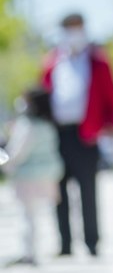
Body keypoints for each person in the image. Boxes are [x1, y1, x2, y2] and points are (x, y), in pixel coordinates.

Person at [39, 14, 113, 259]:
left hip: (87, 134)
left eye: (77, 28)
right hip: (57, 135)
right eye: (69, 28)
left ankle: (91, 243)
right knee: (58, 191)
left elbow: (111, 95)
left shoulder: (98, 61)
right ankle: (64, 243)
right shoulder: (53, 61)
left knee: (88, 190)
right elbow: (43, 93)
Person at [6, 88, 62, 266]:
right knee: (43, 214)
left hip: (28, 177)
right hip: (48, 176)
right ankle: (41, 250)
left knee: (27, 216)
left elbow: (17, 153)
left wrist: (6, 164)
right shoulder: (49, 125)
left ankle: (30, 253)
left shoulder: (27, 126)